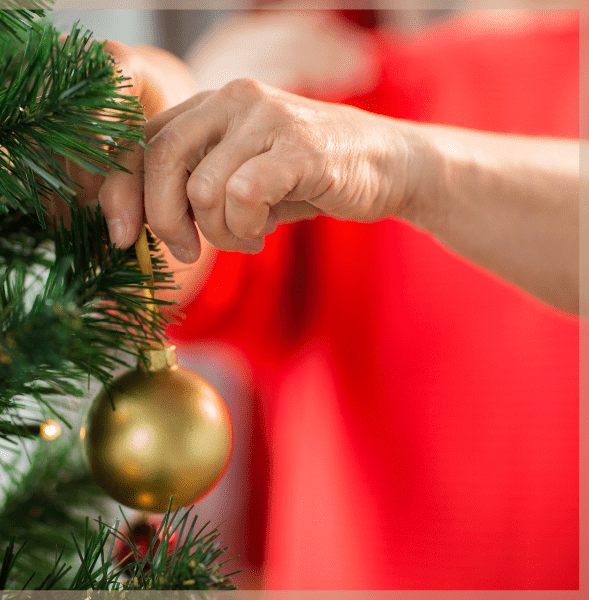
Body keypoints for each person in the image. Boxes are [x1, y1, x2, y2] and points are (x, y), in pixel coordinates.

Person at [63, 8, 579, 588]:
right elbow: (177, 266)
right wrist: (156, 109)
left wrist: (400, 164)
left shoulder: (351, 117)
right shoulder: (322, 71)